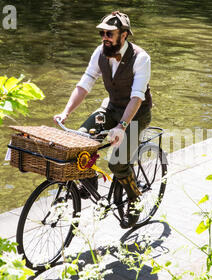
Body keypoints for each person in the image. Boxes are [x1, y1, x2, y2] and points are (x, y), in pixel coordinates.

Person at [53, 11, 152, 229]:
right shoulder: (100, 52)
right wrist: (65, 112)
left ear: (124, 35)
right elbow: (84, 83)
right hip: (111, 107)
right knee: (80, 141)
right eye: (102, 33)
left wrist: (122, 127)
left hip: (136, 114)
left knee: (117, 163)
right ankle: (90, 185)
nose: (104, 37)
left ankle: (135, 199)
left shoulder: (141, 58)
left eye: (110, 33)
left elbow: (137, 97)